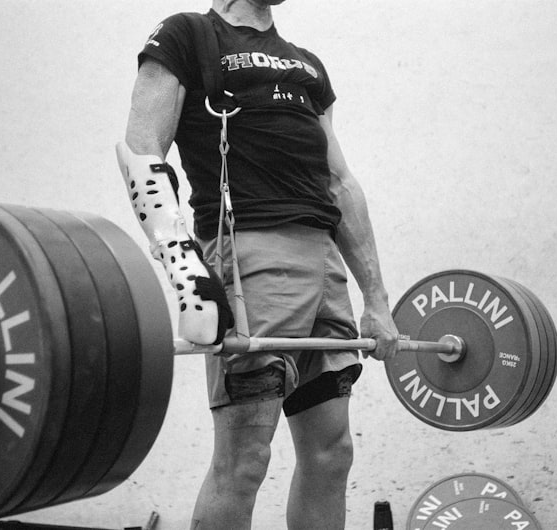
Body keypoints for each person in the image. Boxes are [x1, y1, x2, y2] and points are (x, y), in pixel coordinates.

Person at [117, 1, 400, 528]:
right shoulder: (187, 37)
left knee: (332, 453)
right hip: (249, 256)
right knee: (245, 461)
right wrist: (185, 271)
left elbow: (339, 183)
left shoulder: (307, 66)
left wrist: (377, 299)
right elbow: (141, 152)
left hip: (323, 260)